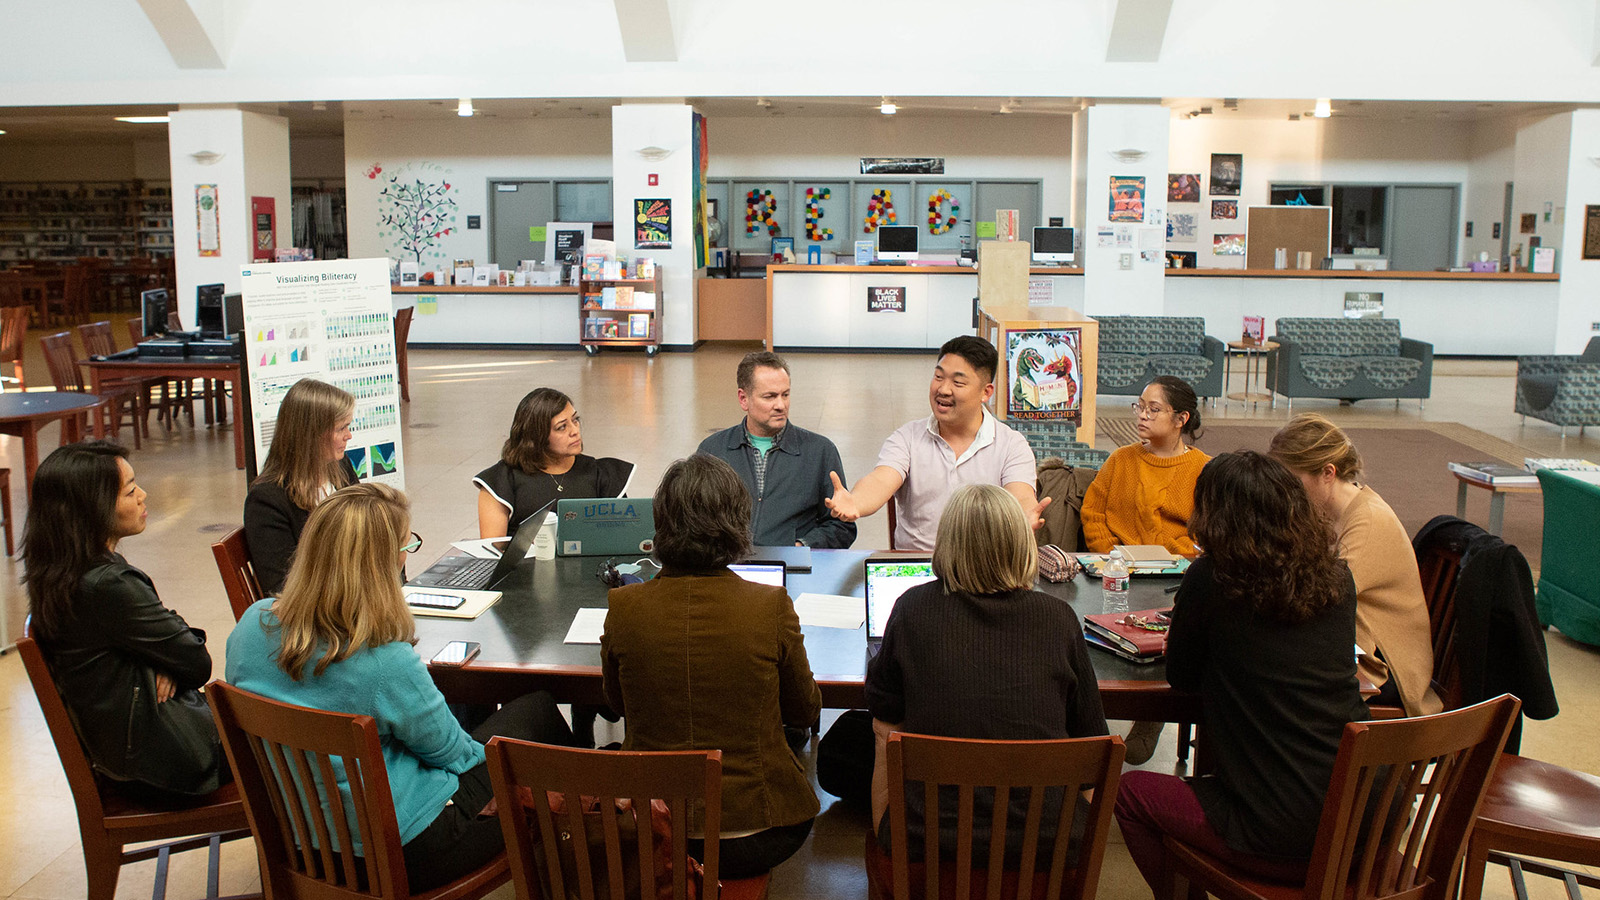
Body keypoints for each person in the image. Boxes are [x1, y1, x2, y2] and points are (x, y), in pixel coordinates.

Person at [227, 482, 577, 894]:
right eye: (404, 547)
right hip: (406, 851)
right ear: (383, 565)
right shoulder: (383, 660)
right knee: (536, 711)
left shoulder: (250, 627)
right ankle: (583, 856)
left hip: (302, 842)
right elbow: (457, 756)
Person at [1114, 452, 1370, 891]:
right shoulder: (1336, 578)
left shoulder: (1212, 578)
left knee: (1130, 792)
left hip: (1276, 833)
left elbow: (1183, 678)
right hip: (1363, 817)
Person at [601, 455, 821, 878]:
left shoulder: (624, 605)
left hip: (651, 827)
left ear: (661, 522)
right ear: (737, 523)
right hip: (759, 831)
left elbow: (615, 705)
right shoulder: (769, 605)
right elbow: (804, 713)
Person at [864, 483, 1107, 860]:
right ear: (1022, 544)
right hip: (1046, 854)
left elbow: (884, 721)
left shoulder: (913, 609)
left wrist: (886, 820)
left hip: (927, 846)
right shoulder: (1058, 619)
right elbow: (1092, 743)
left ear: (946, 543)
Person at [22, 440, 227, 801]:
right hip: (166, 763)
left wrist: (159, 659)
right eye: (130, 490)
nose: (143, 496)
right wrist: (164, 660)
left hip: (121, 753)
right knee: (293, 738)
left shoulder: (60, 572)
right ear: (92, 508)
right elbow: (197, 663)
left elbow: (173, 651)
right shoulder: (109, 585)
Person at [1269, 413, 1442, 717]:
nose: (1284, 494)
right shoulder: (1325, 512)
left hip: (1387, 670)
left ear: (1327, 472)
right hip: (1354, 651)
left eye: (1293, 482)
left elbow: (1323, 597)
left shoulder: (1368, 520)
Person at [825, 335, 1047, 551]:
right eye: (939, 377)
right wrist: (856, 501)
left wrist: (1024, 514)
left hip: (984, 572)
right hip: (919, 568)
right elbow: (881, 480)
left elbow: (1021, 495)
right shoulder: (908, 438)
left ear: (985, 392)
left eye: (958, 382)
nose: (943, 389)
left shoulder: (1011, 445)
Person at [697, 350, 856, 548]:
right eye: (770, 397)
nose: (780, 405)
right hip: (728, 569)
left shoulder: (820, 452)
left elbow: (841, 528)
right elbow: (693, 522)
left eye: (785, 395)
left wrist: (800, 547)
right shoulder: (712, 451)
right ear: (743, 399)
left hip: (792, 571)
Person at [244, 378, 358, 594]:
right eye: (341, 428)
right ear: (311, 435)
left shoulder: (340, 467)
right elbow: (281, 587)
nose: (348, 435)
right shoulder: (267, 500)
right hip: (314, 614)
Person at [474, 387, 633, 538]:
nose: (575, 431)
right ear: (537, 437)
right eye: (562, 427)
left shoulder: (601, 474)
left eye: (575, 420)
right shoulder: (501, 481)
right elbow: (492, 552)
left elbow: (625, 537)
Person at [1081, 375, 1210, 556]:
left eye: (1153, 409)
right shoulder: (1121, 459)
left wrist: (1172, 556)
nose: (1142, 415)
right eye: (1140, 407)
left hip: (1179, 568)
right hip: (1118, 565)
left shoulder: (1204, 469)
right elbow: (1093, 513)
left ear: (1181, 419)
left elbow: (1208, 531)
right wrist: (1112, 554)